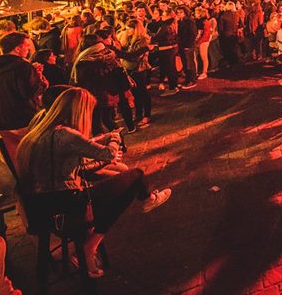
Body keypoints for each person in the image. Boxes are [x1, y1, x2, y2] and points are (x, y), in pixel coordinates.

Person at [16, 88, 171, 278]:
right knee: (135, 176)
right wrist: (114, 138)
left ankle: (145, 200)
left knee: (117, 179)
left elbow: (79, 153)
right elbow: (108, 154)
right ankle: (91, 244)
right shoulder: (65, 135)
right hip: (68, 206)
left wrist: (101, 142)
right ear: (79, 110)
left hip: (42, 209)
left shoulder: (39, 133)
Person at [0, 32, 47, 131]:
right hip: (24, 122)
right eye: (26, 46)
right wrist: (38, 77)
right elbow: (32, 92)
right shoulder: (22, 67)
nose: (29, 49)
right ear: (17, 49)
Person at [117, 19, 152, 129]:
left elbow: (133, 56)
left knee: (143, 92)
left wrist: (117, 51)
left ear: (135, 29)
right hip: (130, 69)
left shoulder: (142, 40)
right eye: (126, 29)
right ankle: (138, 114)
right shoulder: (129, 38)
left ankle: (147, 115)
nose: (127, 31)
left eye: (129, 29)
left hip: (140, 69)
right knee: (136, 93)